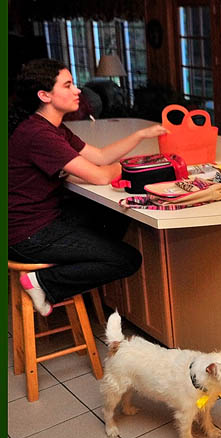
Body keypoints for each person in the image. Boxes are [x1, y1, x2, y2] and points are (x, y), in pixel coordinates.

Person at [8, 59, 169, 317]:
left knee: (114, 213)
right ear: (44, 95)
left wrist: (140, 136)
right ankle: (42, 282)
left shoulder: (53, 128)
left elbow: (102, 156)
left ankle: (80, 267)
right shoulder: (39, 135)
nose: (78, 91)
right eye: (68, 85)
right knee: (127, 259)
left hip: (42, 221)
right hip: (28, 235)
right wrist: (130, 166)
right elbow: (100, 175)